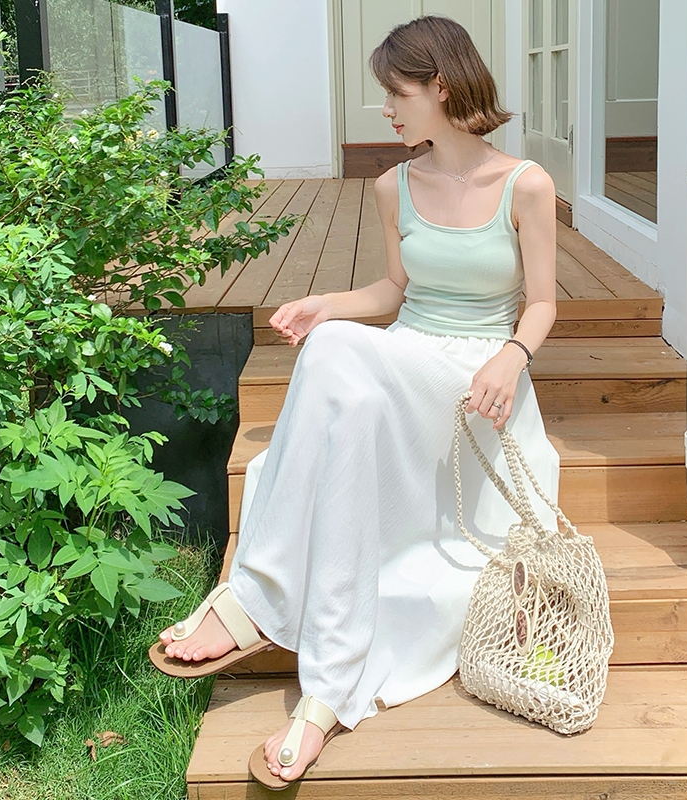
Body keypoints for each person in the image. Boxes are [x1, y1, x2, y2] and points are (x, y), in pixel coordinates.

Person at [149, 14, 560, 791]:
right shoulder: (392, 185)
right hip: (408, 355)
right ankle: (323, 675)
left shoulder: (525, 183)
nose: (387, 109)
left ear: (443, 86)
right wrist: (327, 304)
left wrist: (513, 356)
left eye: (396, 92)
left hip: (476, 375)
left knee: (336, 359)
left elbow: (541, 303)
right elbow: (395, 291)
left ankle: (257, 600)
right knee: (334, 350)